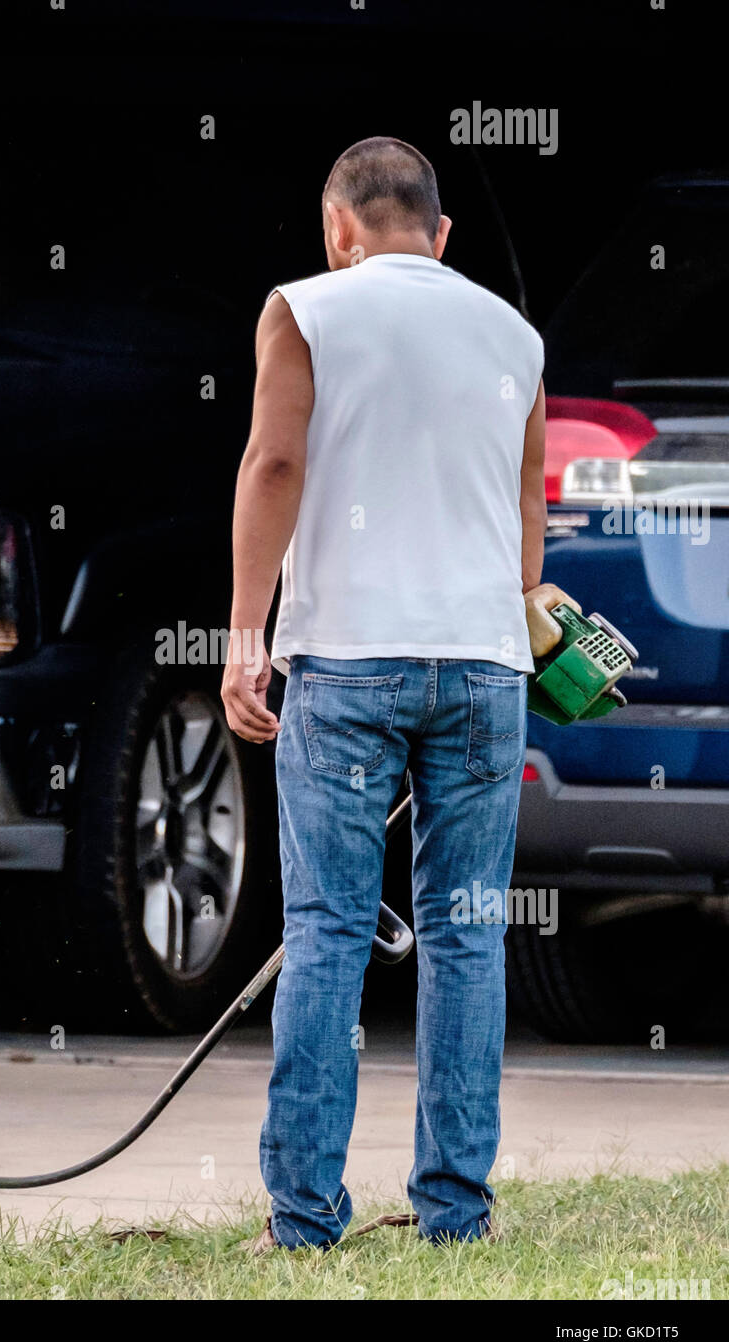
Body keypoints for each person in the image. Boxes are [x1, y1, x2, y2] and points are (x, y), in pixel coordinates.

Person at [221, 135, 549, 1250]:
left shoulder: (304, 309)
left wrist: (245, 636)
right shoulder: (515, 336)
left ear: (337, 227)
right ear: (440, 233)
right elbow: (526, 524)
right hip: (484, 666)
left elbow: (273, 466)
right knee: (467, 934)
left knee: (325, 930)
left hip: (348, 661)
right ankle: (455, 1214)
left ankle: (305, 1218)